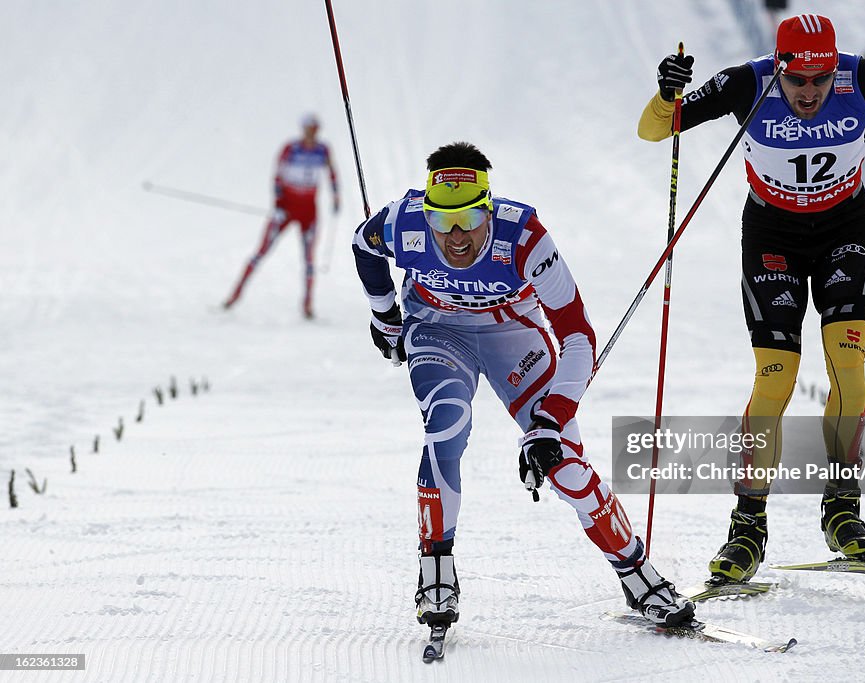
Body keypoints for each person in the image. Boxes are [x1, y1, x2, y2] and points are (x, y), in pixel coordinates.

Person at [638, 14, 865, 584]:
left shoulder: (861, 76)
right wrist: (666, 93)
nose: (810, 92)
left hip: (843, 231)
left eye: (821, 80)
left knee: (848, 367)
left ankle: (842, 506)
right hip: (772, 238)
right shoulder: (748, 81)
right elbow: (654, 129)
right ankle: (748, 524)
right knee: (775, 377)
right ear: (781, 67)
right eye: (798, 82)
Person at [351, 141, 694, 629]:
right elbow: (364, 245)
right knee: (446, 424)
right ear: (425, 213)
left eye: (469, 221)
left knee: (564, 463)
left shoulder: (525, 236)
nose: (455, 237)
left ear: (487, 210)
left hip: (511, 333)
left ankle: (636, 572)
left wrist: (549, 422)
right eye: (442, 222)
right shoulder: (403, 221)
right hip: (436, 329)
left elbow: (578, 335)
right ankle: (437, 569)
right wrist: (385, 318)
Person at [224, 113, 340, 318]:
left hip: (308, 212)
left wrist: (336, 196)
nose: (311, 134)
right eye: (308, 129)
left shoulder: (323, 150)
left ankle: (307, 306)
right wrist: (277, 204)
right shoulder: (291, 148)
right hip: (286, 208)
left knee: (309, 259)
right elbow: (277, 176)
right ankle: (235, 295)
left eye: (314, 130)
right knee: (261, 251)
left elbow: (332, 173)